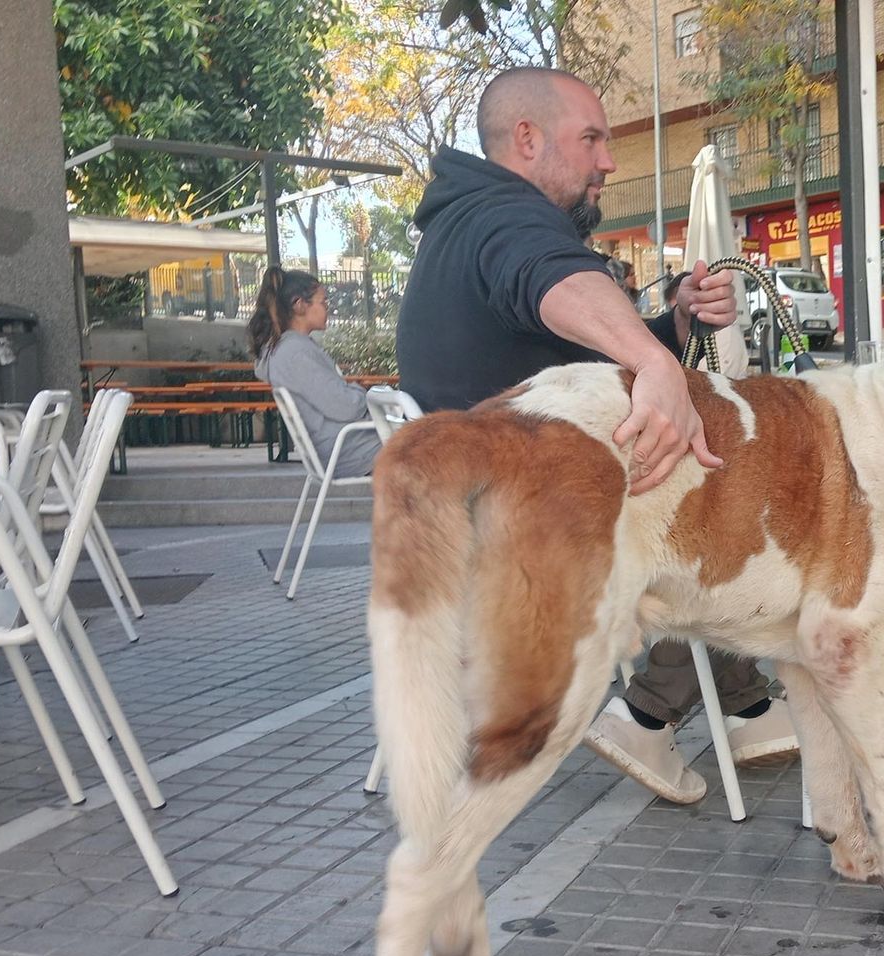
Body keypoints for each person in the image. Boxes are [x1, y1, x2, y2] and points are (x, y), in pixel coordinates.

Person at [394, 66, 798, 806]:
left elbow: (571, 344)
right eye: (591, 140)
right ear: (527, 140)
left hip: (476, 506)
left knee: (691, 478)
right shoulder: (502, 217)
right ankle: (656, 715)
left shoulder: (464, 218)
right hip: (518, 528)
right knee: (717, 493)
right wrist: (657, 364)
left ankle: (742, 706)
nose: (608, 161)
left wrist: (673, 324)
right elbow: (551, 276)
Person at [247, 268, 380, 478]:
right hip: (348, 450)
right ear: (300, 305)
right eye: (323, 302)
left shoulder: (288, 350)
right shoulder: (295, 353)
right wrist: (364, 393)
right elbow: (346, 407)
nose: (328, 307)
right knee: (425, 443)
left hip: (342, 444)